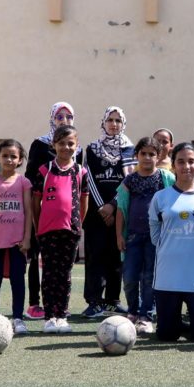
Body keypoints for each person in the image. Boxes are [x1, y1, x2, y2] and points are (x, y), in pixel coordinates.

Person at [148, 143, 194, 342]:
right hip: (168, 276)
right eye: (181, 161)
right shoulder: (160, 198)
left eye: (191, 161)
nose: (186, 166)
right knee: (167, 336)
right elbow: (155, 234)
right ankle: (176, 324)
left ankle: (193, 324)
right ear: (173, 165)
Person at [23, 101, 81, 320]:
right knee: (38, 259)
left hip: (67, 220)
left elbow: (80, 190)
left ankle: (60, 308)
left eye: (68, 116)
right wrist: (34, 215)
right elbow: (31, 179)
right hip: (42, 213)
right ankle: (35, 304)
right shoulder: (40, 144)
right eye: (59, 116)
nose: (64, 120)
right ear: (52, 118)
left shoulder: (78, 150)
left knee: (63, 268)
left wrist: (77, 220)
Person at [33, 125, 89, 334]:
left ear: (76, 145)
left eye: (70, 143)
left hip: (70, 231)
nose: (66, 147)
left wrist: (77, 224)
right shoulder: (44, 170)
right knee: (49, 273)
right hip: (47, 232)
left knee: (65, 273)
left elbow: (84, 202)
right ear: (53, 145)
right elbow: (35, 201)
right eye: (62, 143)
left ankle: (62, 315)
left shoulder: (80, 171)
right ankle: (49, 317)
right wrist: (38, 226)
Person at [116, 137, 175, 334]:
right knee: (130, 276)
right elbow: (121, 210)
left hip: (156, 238)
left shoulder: (165, 179)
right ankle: (132, 311)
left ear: (158, 157)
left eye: (152, 154)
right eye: (143, 153)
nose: (147, 158)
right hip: (132, 236)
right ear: (136, 155)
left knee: (150, 277)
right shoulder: (129, 181)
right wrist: (119, 235)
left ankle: (146, 315)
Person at [81, 107, 135, 319]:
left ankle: (112, 301)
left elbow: (128, 180)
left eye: (118, 120)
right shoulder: (92, 148)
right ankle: (94, 301)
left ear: (123, 123)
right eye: (110, 120)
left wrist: (113, 204)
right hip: (95, 213)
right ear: (103, 123)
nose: (114, 124)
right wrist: (102, 206)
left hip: (119, 211)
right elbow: (89, 179)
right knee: (95, 257)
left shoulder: (129, 149)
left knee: (116, 256)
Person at [0, 139, 32, 336]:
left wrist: (27, 238)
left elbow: (28, 212)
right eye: (5, 156)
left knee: (18, 280)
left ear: (19, 160)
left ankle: (18, 318)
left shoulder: (23, 183)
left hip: (18, 243)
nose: (9, 159)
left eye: (13, 156)